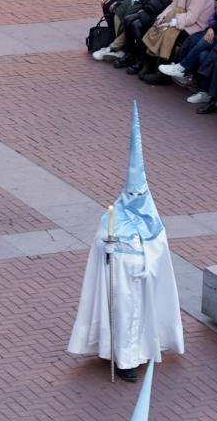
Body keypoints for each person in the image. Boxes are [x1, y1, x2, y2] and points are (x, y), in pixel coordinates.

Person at [67, 104, 185, 381]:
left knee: (140, 318)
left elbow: (159, 251)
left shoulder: (153, 223)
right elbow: (100, 245)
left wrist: (146, 262)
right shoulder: (111, 218)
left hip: (142, 283)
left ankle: (140, 353)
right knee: (120, 318)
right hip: (118, 283)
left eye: (139, 192)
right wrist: (107, 247)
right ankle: (122, 358)